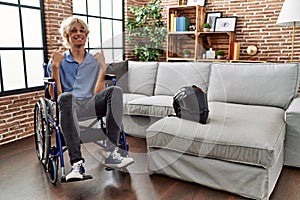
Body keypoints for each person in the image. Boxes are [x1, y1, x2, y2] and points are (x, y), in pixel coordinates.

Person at [47, 16, 134, 182]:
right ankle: (76, 164)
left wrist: (102, 67)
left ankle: (111, 153)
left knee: (115, 90)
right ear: (67, 36)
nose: (78, 34)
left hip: (91, 104)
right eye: (73, 31)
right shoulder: (59, 60)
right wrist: (55, 68)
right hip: (69, 106)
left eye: (82, 31)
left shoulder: (93, 60)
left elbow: (98, 92)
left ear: (86, 35)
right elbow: (55, 96)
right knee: (66, 96)